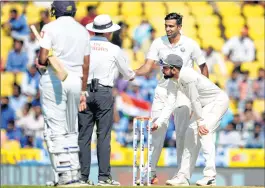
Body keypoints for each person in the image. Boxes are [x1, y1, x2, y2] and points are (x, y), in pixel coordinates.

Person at [134, 12, 209, 184]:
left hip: (183, 92)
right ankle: (150, 173)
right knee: (156, 130)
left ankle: (180, 175)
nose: (167, 29)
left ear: (179, 27)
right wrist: (132, 72)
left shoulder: (190, 44)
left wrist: (201, 95)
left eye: (171, 26)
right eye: (166, 25)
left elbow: (203, 67)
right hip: (162, 90)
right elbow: (147, 67)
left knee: (181, 135)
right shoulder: (158, 42)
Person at [152, 54, 229, 186]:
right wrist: (158, 123)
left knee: (204, 132)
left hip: (216, 102)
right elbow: (170, 103)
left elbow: (195, 100)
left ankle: (210, 176)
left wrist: (200, 122)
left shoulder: (188, 76)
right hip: (203, 106)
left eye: (164, 68)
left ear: (174, 69)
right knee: (189, 135)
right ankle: (183, 176)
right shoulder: (173, 80)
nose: (162, 70)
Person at [37, 1, 90, 186]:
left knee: (56, 130)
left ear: (55, 11)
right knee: (71, 128)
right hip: (76, 81)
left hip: (55, 80)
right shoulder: (82, 30)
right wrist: (83, 90)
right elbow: (86, 64)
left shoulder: (50, 27)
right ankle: (74, 173)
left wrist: (39, 63)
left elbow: (43, 59)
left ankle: (64, 176)